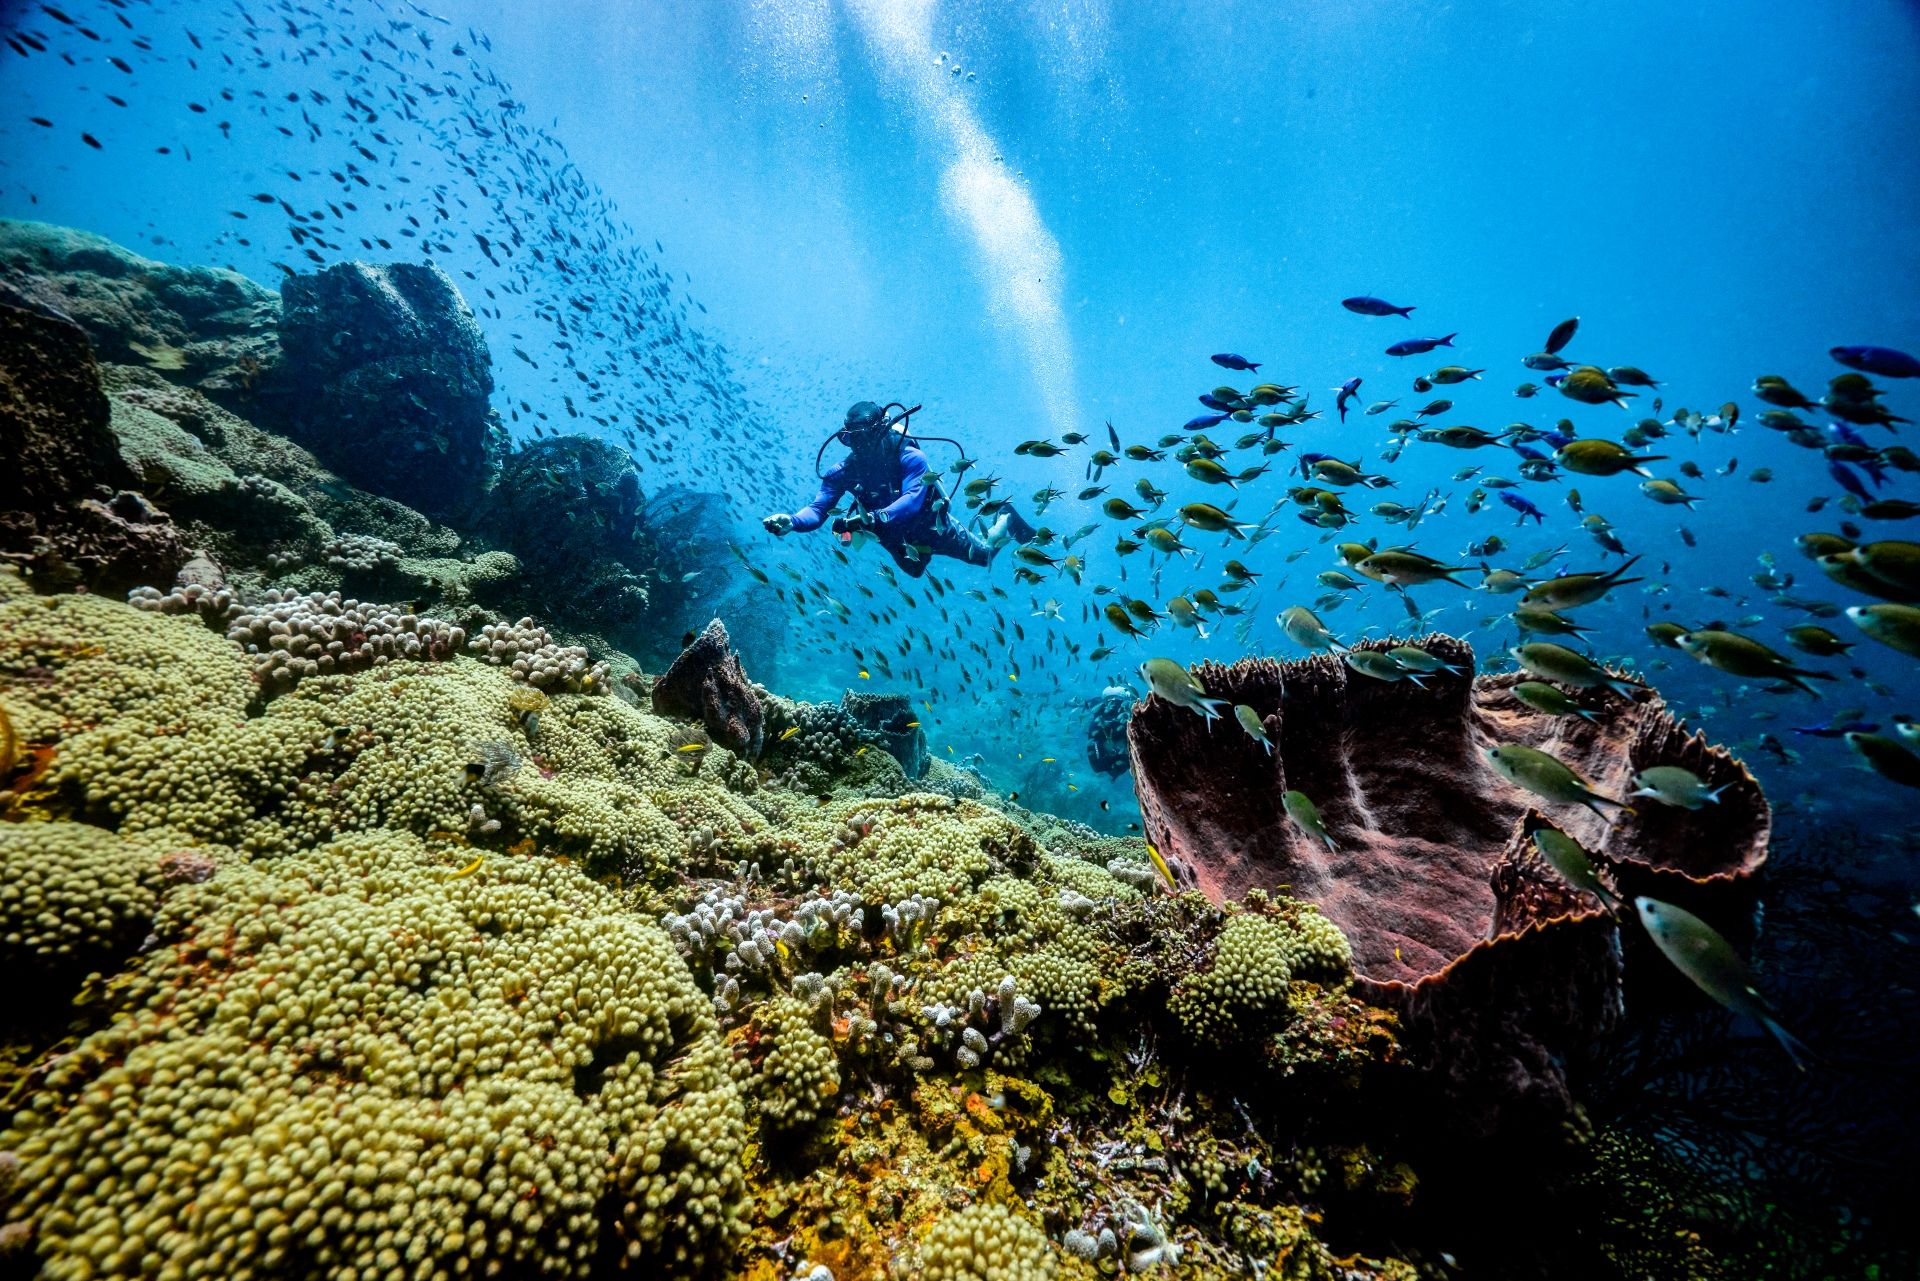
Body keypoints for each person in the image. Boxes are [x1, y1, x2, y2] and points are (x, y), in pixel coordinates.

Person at [763, 401, 1032, 577]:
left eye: (866, 437)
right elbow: (818, 508)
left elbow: (912, 499)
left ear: (881, 431)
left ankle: (1005, 516)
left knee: (984, 556)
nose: (861, 446)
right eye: (853, 440)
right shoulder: (843, 471)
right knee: (915, 571)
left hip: (931, 524)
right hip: (891, 534)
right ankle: (919, 552)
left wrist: (874, 519)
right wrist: (793, 521)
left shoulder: (911, 457)